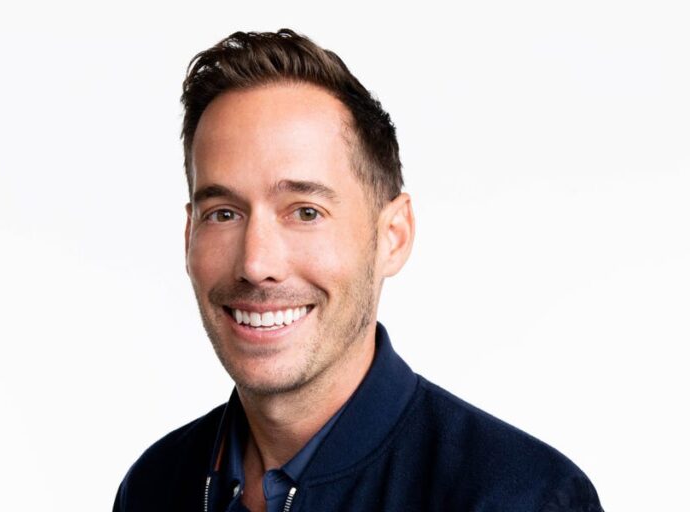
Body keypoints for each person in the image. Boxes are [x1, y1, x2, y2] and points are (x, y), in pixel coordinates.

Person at [113, 29, 603, 512]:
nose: (256, 264)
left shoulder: (521, 499)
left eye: (305, 212)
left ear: (393, 236)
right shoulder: (153, 487)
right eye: (223, 214)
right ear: (189, 235)